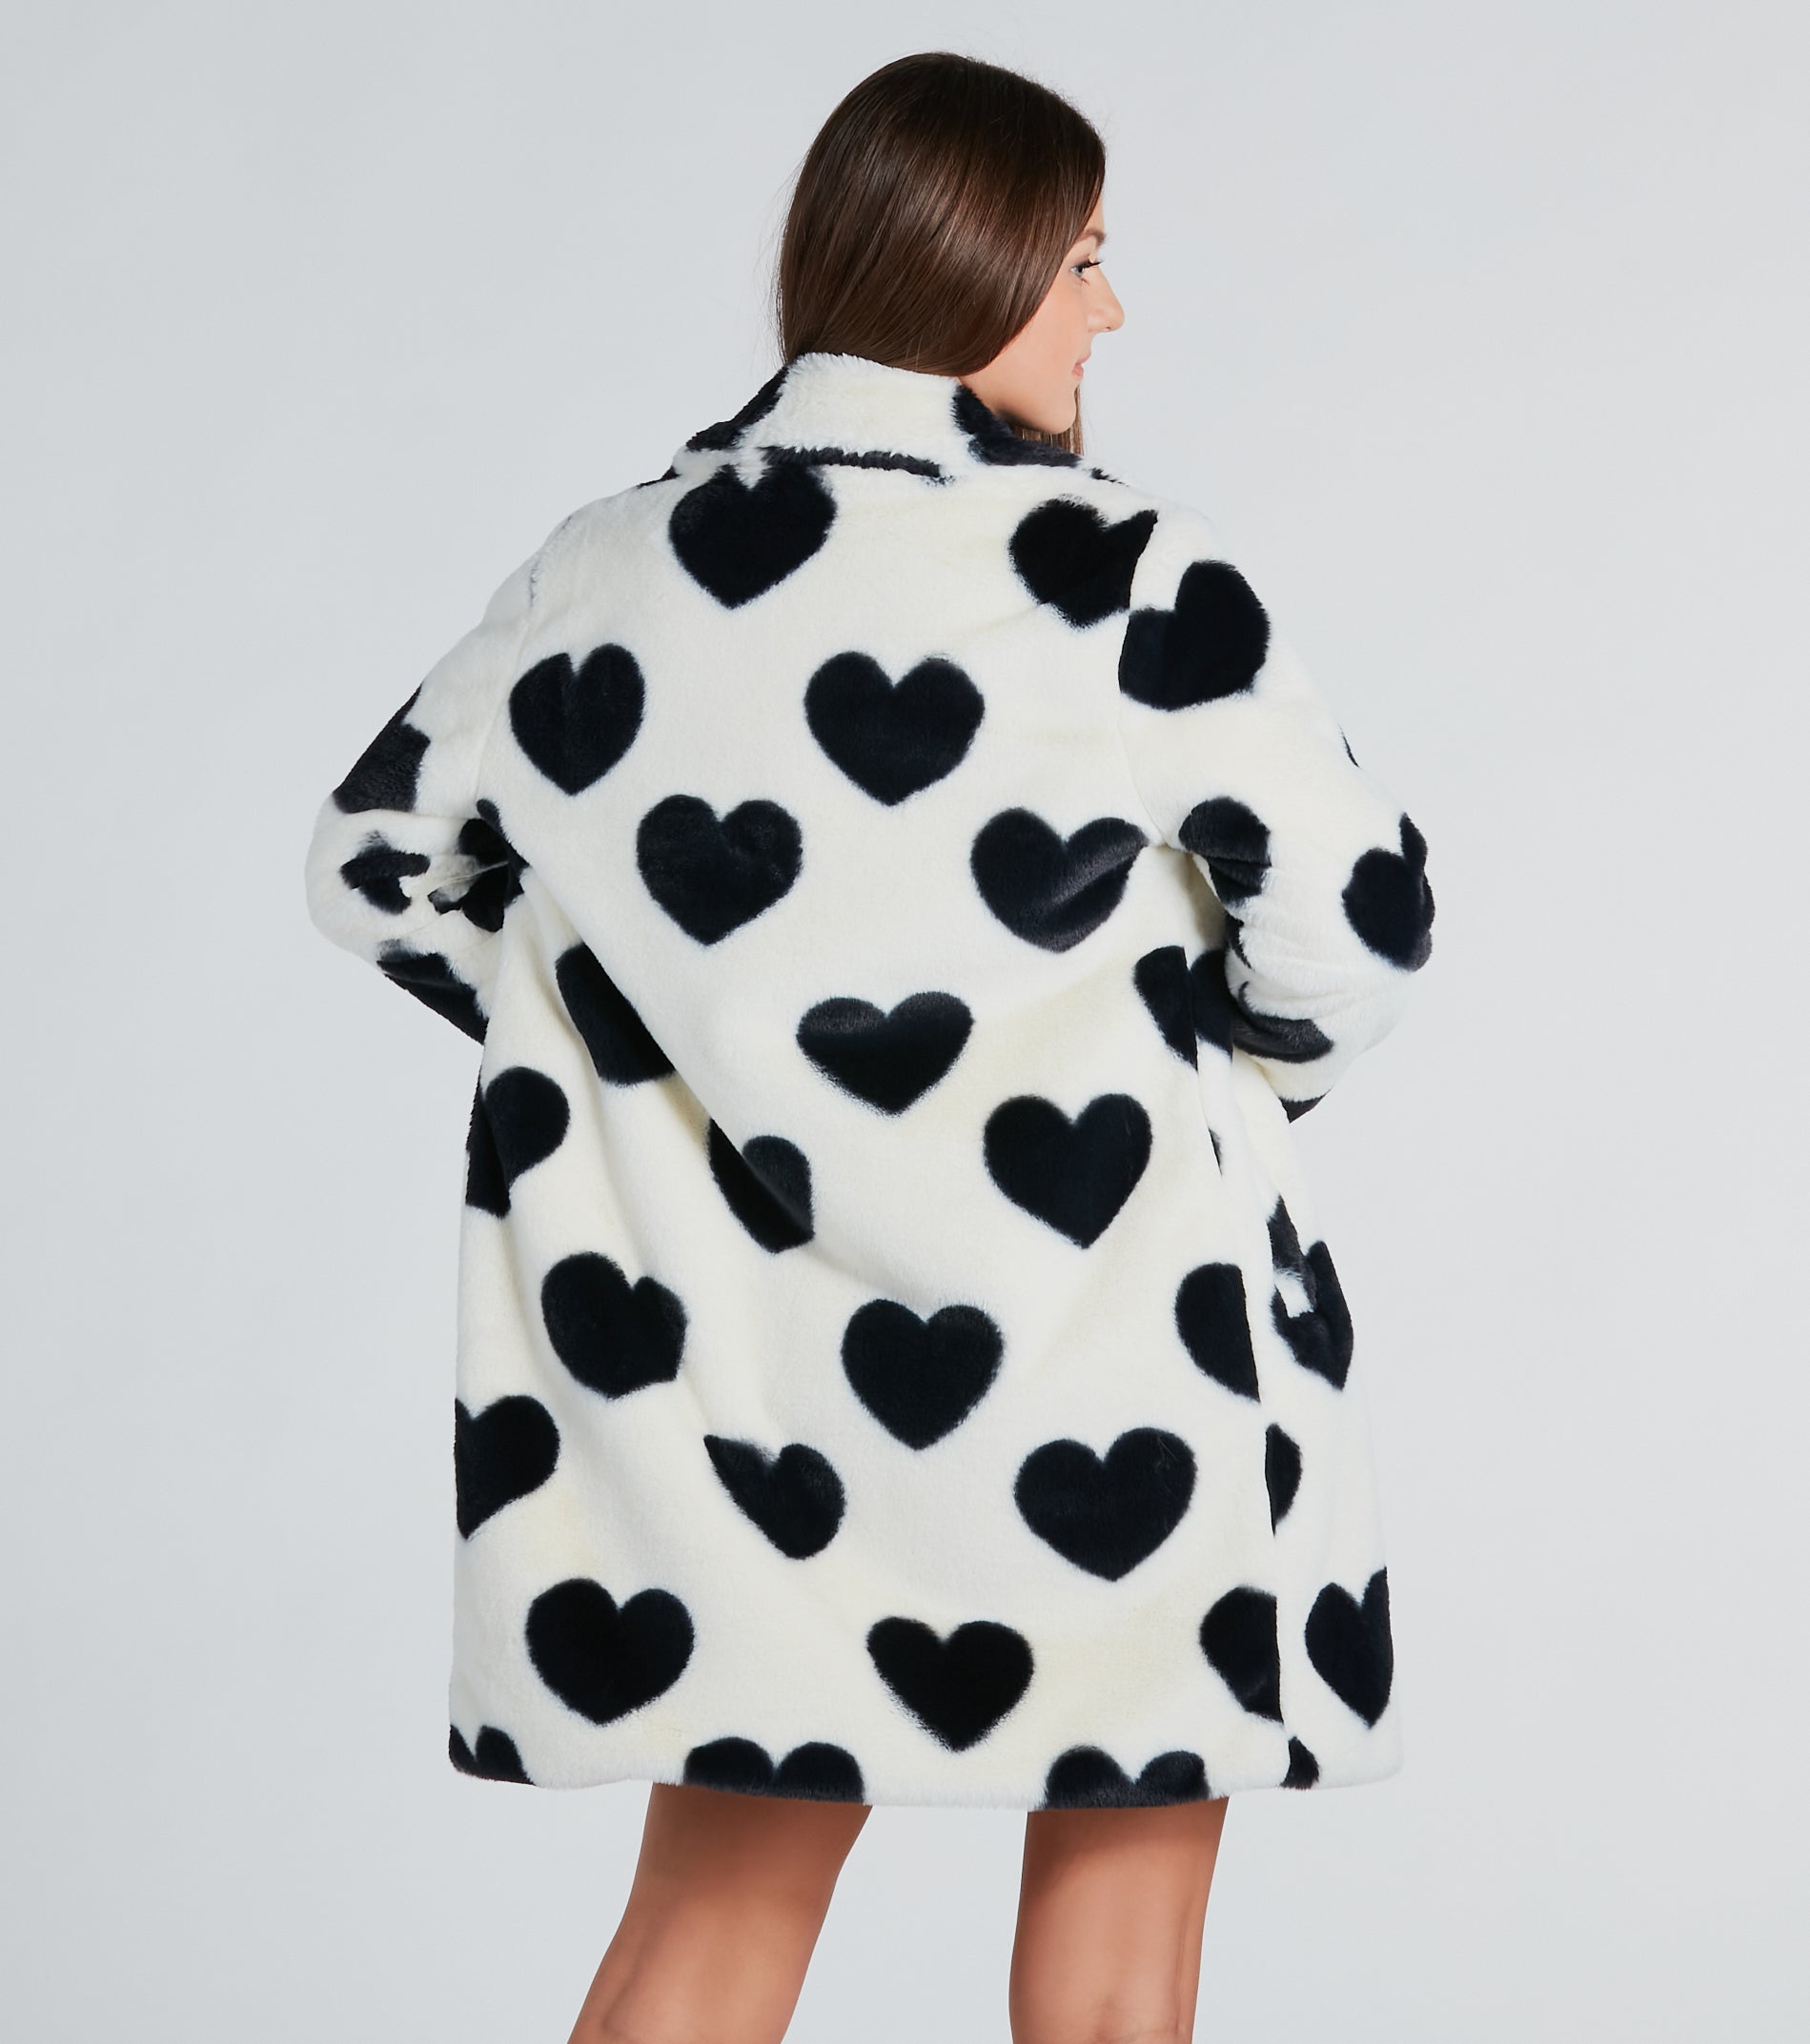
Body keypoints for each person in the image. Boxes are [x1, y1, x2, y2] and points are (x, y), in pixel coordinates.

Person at [303, 48, 1435, 2044]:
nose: (1111, 311)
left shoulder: (606, 570)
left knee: (707, 1934)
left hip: (732, 1409)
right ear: (969, 262)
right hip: (1126, 1357)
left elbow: (379, 865)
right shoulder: (1131, 584)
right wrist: (1228, 1053)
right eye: (1080, 259)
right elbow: (1355, 924)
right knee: (1118, 1972)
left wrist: (631, 1024)